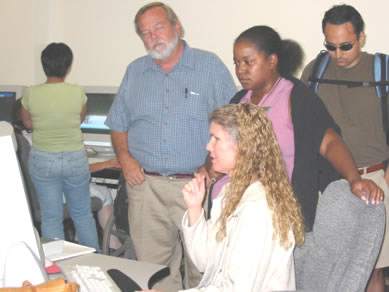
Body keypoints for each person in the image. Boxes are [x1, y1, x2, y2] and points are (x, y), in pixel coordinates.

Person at [104, 2, 236, 291]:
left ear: (177, 27)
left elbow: (235, 122)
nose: (153, 37)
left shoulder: (209, 65)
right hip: (146, 188)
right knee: (155, 273)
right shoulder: (134, 72)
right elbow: (117, 122)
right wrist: (124, 157)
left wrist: (211, 168)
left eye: (159, 27)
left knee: (202, 268)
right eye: (145, 33)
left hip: (197, 185)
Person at [224, 25, 383, 232]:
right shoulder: (238, 101)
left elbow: (329, 142)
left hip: (281, 213)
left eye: (248, 62)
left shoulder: (295, 96)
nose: (240, 70)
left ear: (272, 61)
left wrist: (354, 179)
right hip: (239, 209)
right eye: (236, 63)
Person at [143, 103, 305, 292]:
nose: (208, 146)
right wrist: (195, 209)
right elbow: (205, 262)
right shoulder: (231, 191)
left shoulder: (260, 210)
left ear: (243, 147)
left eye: (216, 139)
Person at [300, 4, 389, 291]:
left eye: (346, 46)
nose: (337, 54)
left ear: (361, 38)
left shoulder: (383, 70)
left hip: (375, 180)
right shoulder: (314, 71)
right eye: (331, 46)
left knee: (371, 269)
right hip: (326, 184)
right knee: (324, 268)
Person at [20, 42, 100, 252]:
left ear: (43, 65)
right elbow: (79, 118)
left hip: (43, 159)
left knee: (51, 216)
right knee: (82, 214)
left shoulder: (30, 93)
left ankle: (56, 270)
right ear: (68, 67)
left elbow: (27, 123)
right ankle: (95, 265)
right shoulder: (77, 92)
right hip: (74, 158)